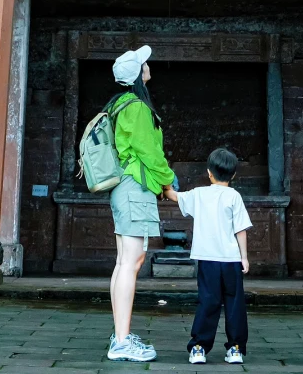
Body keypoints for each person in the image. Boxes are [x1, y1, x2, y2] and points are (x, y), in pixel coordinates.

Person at [107, 44, 176, 363]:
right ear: (137, 74)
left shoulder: (119, 104)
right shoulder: (135, 106)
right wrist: (168, 180)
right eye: (144, 64)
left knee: (125, 262)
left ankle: (120, 335)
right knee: (130, 263)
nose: (149, 67)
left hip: (126, 187)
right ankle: (121, 342)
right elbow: (150, 152)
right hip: (135, 187)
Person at [167, 147, 252, 365]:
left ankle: (198, 347)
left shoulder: (199, 194)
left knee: (208, 301)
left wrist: (164, 181)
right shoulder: (234, 196)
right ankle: (235, 349)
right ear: (233, 175)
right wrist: (244, 257)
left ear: (209, 173)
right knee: (234, 304)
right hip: (231, 260)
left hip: (208, 260)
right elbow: (240, 229)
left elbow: (173, 196)